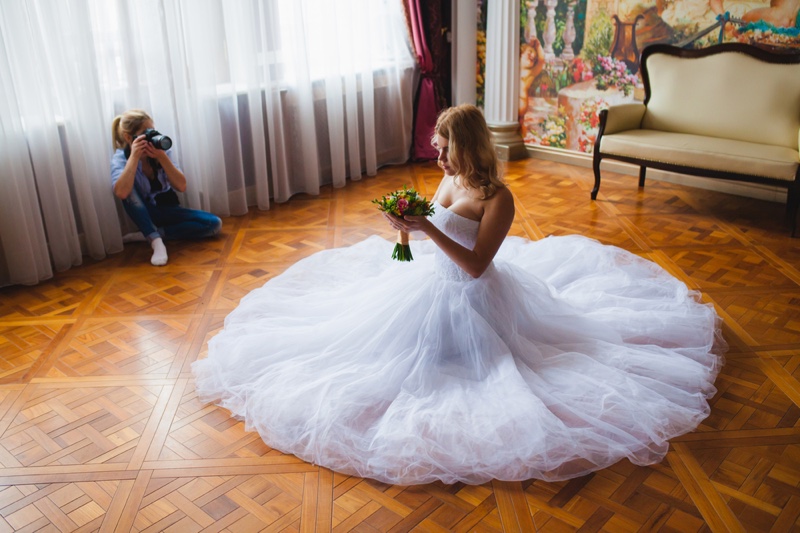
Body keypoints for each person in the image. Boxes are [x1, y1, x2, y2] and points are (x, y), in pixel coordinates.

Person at [192, 104, 724, 485]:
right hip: (429, 282)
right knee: (367, 347)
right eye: (436, 150)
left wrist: (425, 229)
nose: (438, 160)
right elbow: (428, 228)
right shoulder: (448, 182)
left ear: (466, 147)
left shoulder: (499, 198)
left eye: (444, 151)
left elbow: (473, 265)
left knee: (467, 369)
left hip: (477, 296)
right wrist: (403, 227)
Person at [111, 109, 222, 266]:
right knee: (127, 190)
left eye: (153, 130)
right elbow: (121, 193)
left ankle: (150, 234)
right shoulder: (121, 159)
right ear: (129, 137)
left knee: (213, 224)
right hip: (144, 211)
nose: (151, 136)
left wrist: (162, 157)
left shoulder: (161, 150)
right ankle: (156, 242)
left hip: (167, 209)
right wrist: (134, 157)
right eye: (145, 133)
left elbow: (181, 186)